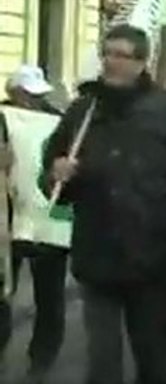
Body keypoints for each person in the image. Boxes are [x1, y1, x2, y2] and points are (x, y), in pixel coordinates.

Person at [42, 24, 166, 384]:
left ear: (141, 62)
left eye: (121, 55)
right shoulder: (83, 110)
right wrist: (56, 174)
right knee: (102, 364)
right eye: (107, 54)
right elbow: (53, 177)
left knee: (152, 361)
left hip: (152, 259)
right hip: (96, 255)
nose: (111, 62)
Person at [0, 65, 65, 383]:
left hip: (48, 221)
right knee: (3, 293)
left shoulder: (60, 122)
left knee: (49, 297)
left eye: (35, 95)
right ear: (13, 93)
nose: (31, 101)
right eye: (26, 94)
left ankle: (42, 360)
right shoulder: (3, 119)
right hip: (7, 221)